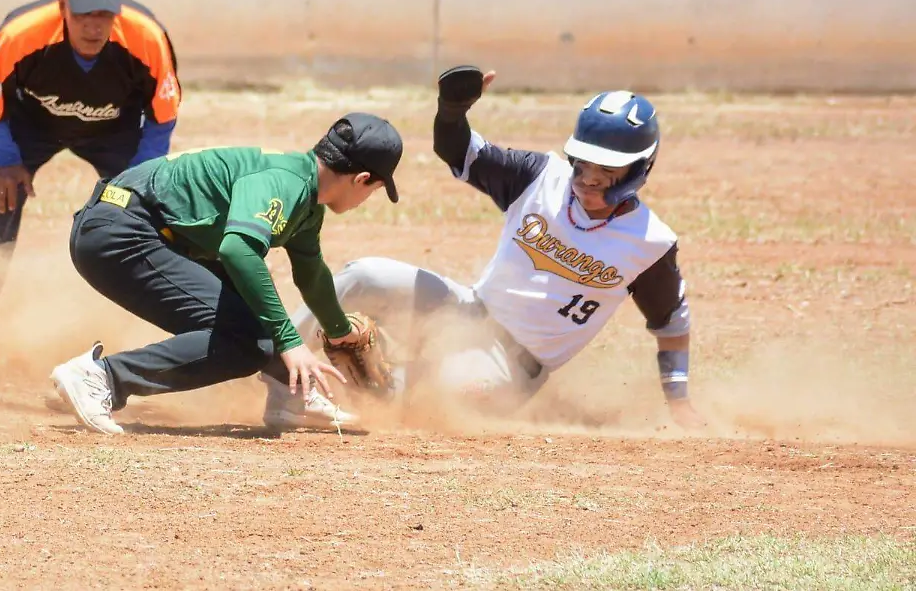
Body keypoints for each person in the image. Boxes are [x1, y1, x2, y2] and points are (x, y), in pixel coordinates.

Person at [260, 66, 706, 430]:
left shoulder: (649, 243)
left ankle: (368, 380)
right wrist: (451, 112)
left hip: (511, 367)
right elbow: (459, 152)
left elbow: (671, 323)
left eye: (606, 169)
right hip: (467, 311)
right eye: (584, 162)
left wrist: (680, 401)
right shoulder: (540, 178)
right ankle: (272, 362)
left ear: (638, 169)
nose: (589, 177)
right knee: (366, 275)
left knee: (444, 392)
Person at [49, 113, 405, 434]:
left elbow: (311, 272)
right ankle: (103, 378)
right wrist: (291, 341)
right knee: (247, 341)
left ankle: (292, 395)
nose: (369, 197)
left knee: (254, 312)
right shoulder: (286, 183)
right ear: (361, 179)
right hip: (121, 234)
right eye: (375, 189)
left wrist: (339, 331)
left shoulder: (306, 197)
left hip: (134, 229)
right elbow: (236, 250)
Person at [0, 0, 182, 348]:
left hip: (115, 130)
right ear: (62, 3)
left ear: (120, 6)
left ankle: (192, 321)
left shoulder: (146, 38)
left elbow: (163, 116)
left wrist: (140, 181)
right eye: (82, 14)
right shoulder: (21, 34)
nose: (94, 26)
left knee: (152, 209)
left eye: (104, 14)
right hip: (32, 123)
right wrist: (5, 161)